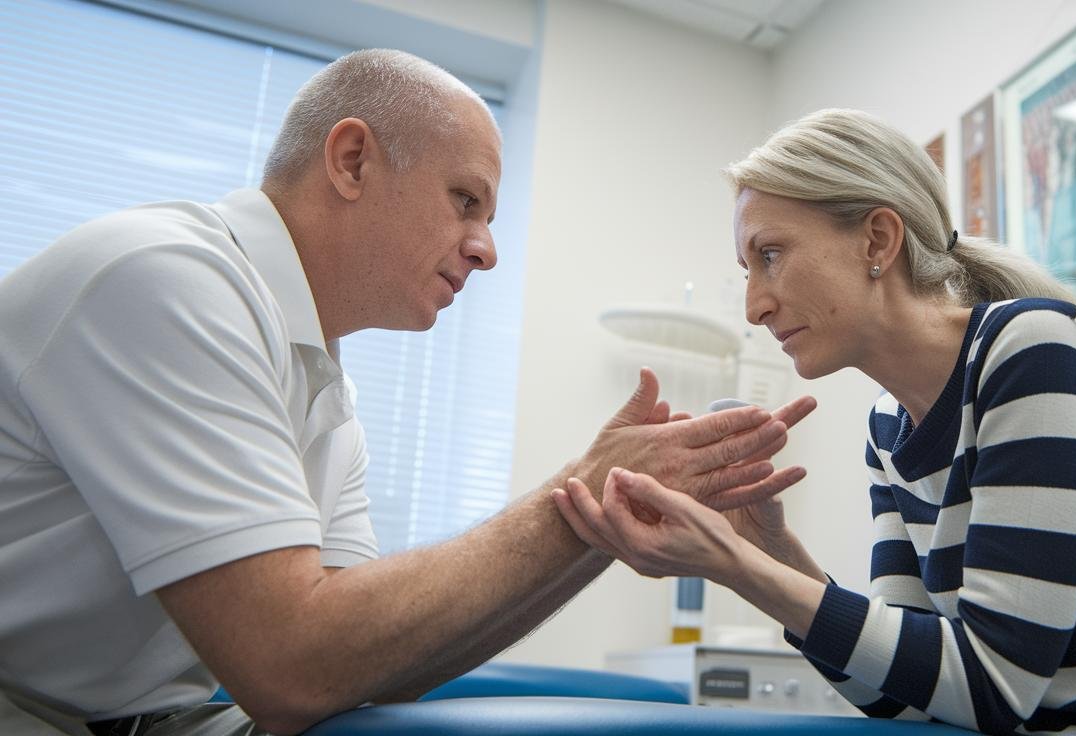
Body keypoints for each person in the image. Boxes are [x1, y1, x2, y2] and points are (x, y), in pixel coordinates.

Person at [0, 49, 816, 736]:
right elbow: (292, 663)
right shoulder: (164, 280)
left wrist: (601, 523)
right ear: (351, 160)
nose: (486, 249)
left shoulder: (323, 393)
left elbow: (367, 669)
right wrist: (581, 497)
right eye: (466, 201)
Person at [551, 109, 1076, 735]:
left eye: (770, 256)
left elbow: (995, 687)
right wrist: (770, 553)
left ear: (878, 240)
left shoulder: (1036, 353)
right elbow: (911, 699)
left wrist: (737, 567)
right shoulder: (889, 429)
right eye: (748, 269)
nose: (755, 305)